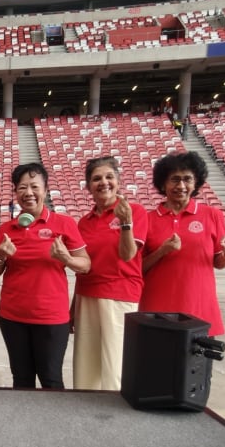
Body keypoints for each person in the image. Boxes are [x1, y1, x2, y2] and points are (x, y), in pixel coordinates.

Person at [0, 162, 90, 389]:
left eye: (34, 186)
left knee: (51, 379)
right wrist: (1, 255)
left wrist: (67, 259)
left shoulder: (64, 224)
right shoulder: (7, 229)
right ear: (15, 192)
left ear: (45, 189)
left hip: (51, 318)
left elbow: (85, 265)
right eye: (22, 188)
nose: (28, 193)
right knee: (21, 380)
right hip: (13, 317)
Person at [140, 151, 225, 337]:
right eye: (174, 179)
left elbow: (218, 263)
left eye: (187, 179)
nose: (181, 185)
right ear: (163, 184)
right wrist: (162, 251)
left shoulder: (212, 215)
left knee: (196, 365)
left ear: (195, 183)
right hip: (155, 309)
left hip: (199, 309)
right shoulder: (147, 219)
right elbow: (138, 268)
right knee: (155, 364)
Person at [73, 157, 147, 391]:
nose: (103, 183)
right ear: (88, 186)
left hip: (119, 296)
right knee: (85, 367)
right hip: (87, 295)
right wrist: (73, 305)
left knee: (114, 366)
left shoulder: (134, 211)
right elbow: (82, 267)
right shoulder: (84, 222)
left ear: (118, 181)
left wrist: (126, 224)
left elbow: (128, 255)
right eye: (96, 179)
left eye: (109, 177)